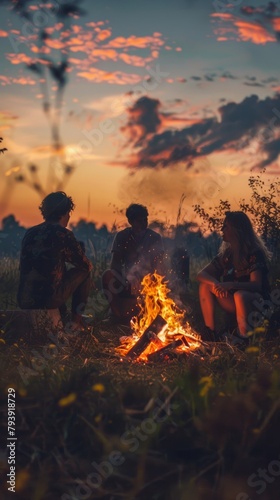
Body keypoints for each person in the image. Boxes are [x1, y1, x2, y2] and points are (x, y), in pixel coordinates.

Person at [17, 191, 93, 330]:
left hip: (24, 298)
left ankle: (64, 314)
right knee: (84, 272)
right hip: (47, 300)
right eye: (68, 213)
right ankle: (76, 322)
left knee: (57, 268)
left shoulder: (30, 232)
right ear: (65, 213)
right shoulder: (63, 234)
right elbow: (85, 265)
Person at [196, 211, 271, 342]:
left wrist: (231, 285)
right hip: (234, 302)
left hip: (257, 304)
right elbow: (201, 274)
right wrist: (216, 284)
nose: (222, 229)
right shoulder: (227, 255)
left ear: (237, 230)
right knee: (205, 286)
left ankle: (244, 339)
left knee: (240, 295)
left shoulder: (254, 253)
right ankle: (211, 334)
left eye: (226, 226)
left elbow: (257, 285)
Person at [102, 203, 164, 324]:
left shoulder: (154, 238)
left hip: (149, 282)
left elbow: (159, 268)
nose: (143, 224)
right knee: (108, 275)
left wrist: (147, 281)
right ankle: (116, 314)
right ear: (131, 221)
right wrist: (126, 279)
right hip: (126, 281)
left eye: (145, 220)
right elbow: (115, 265)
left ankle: (151, 315)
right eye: (139, 221)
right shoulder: (122, 236)